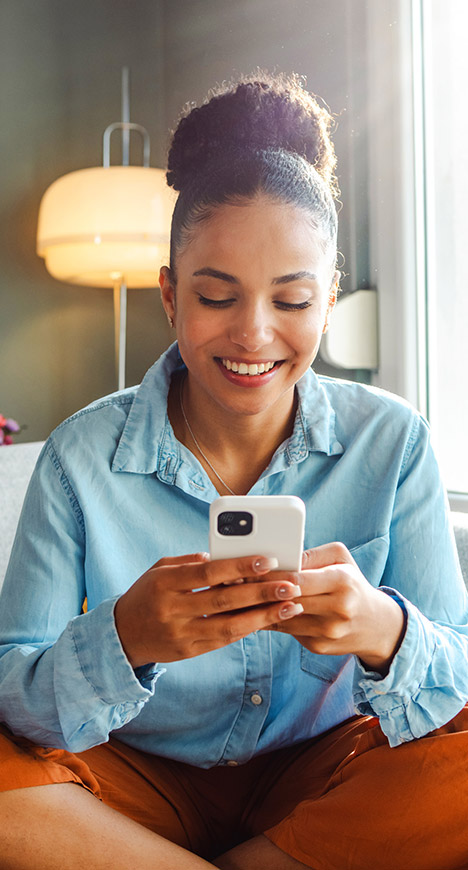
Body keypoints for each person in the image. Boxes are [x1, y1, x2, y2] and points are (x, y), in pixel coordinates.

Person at [0, 71, 468, 870]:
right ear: (171, 297)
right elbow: (16, 690)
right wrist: (126, 639)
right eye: (218, 296)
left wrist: (383, 632)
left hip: (318, 778)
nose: (254, 335)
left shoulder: (393, 441)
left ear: (327, 303)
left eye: (291, 302)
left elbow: (454, 671)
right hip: (131, 774)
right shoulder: (81, 454)